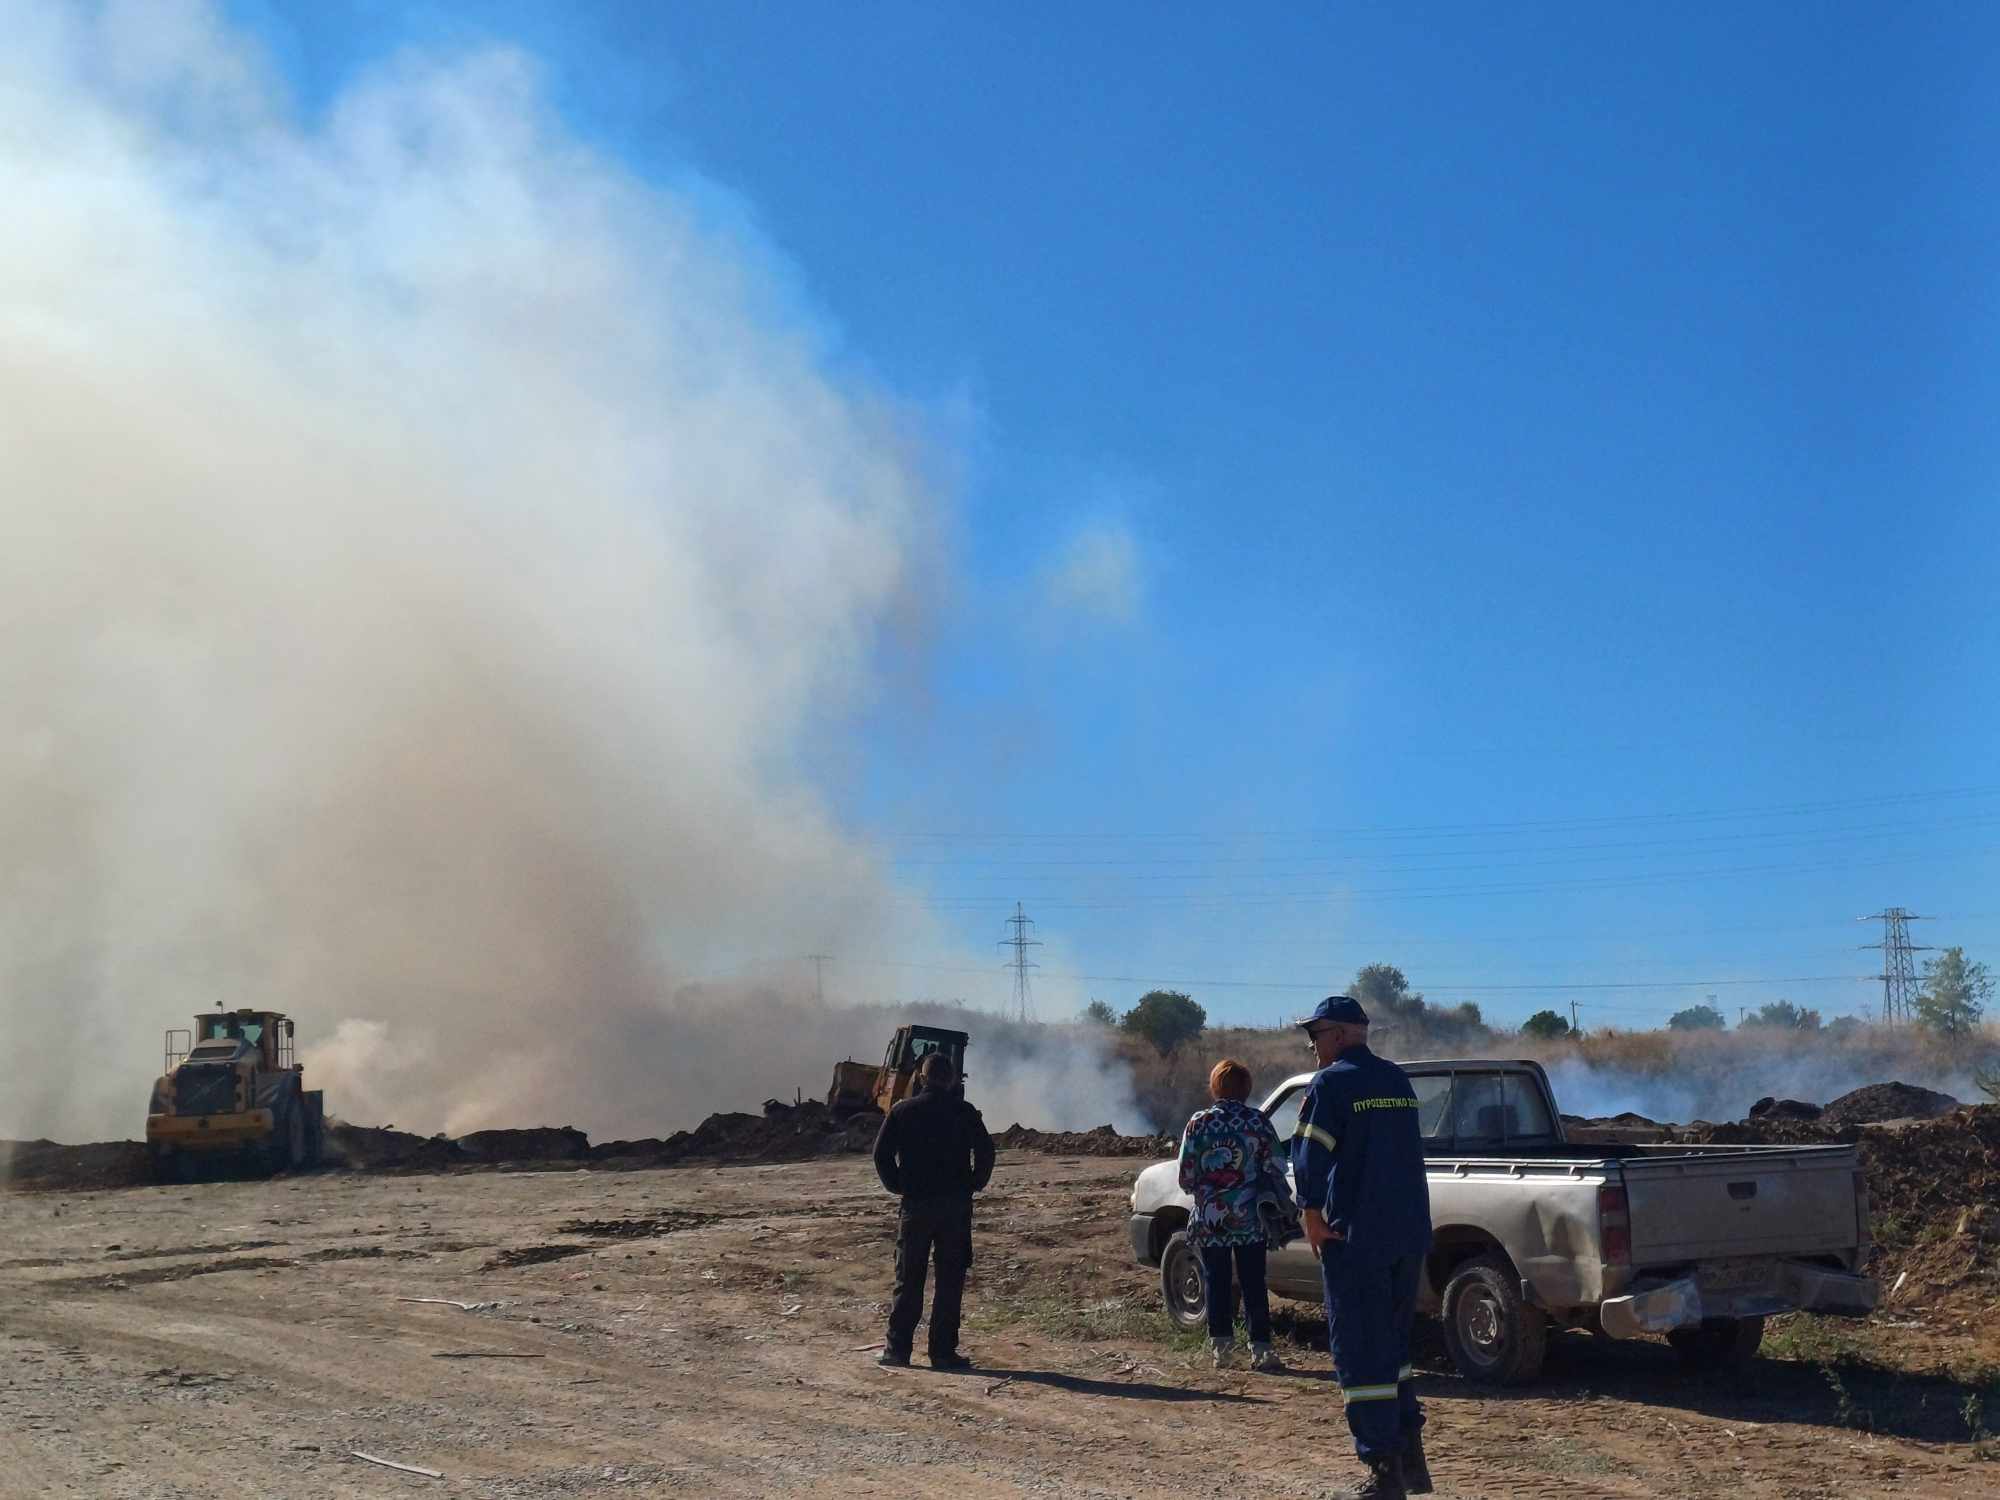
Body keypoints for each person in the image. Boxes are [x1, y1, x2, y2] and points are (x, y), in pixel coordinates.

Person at [1292, 996, 1435, 1499]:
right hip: (1409, 1233)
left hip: (1356, 1236)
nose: (1312, 1047)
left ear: (1336, 1035)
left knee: (1357, 1349)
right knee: (1393, 1347)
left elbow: (1310, 1151)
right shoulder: (1397, 1080)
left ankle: (1383, 1472)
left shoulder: (1332, 1083)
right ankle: (1410, 1461)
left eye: (1315, 1036)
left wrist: (1310, 1212)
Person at [871, 1051, 995, 1370]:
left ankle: (897, 1351)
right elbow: (986, 1152)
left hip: (916, 1206)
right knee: (949, 1281)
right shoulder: (964, 1112)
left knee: (909, 1278)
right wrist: (974, 1183)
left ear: (922, 1077)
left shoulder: (902, 1111)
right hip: (955, 1208)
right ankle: (942, 1353)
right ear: (951, 1079)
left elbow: (881, 1155)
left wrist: (897, 1185)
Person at [1177, 1057, 1293, 1371]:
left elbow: (1186, 1175)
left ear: (1215, 1086)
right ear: (1246, 1087)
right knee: (1254, 1281)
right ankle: (1262, 1350)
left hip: (1211, 1218)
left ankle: (1222, 1350)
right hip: (1251, 1218)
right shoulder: (1257, 1122)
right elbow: (1277, 1165)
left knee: (1216, 1280)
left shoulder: (1199, 1123)